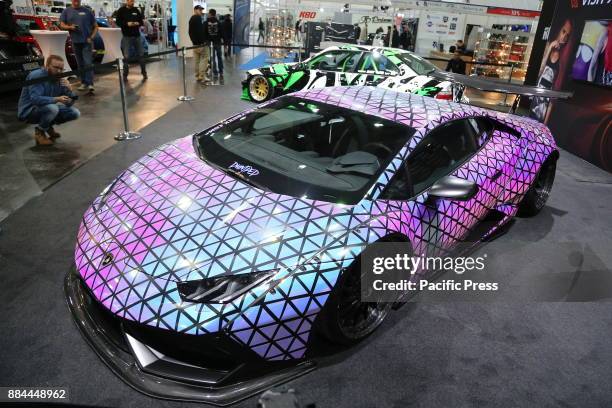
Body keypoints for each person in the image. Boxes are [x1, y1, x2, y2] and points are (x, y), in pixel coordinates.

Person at [17, 55, 80, 146]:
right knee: (53, 108)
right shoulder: (36, 76)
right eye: (56, 67)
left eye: (61, 69)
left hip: (46, 108)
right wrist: (57, 99)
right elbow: (35, 99)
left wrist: (70, 89)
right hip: (29, 111)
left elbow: (70, 103)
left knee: (74, 112)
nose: (59, 71)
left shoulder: (60, 79)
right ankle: (40, 132)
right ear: (47, 66)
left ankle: (47, 126)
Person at [60, 0, 98, 92]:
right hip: (75, 42)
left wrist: (91, 37)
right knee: (80, 64)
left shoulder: (87, 11)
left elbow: (96, 26)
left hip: (86, 42)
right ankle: (84, 82)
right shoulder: (66, 11)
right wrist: (70, 27)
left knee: (88, 63)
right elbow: (61, 25)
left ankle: (90, 84)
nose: (76, 1)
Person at [115, 0, 147, 80]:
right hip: (127, 37)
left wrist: (138, 23)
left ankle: (144, 73)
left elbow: (141, 22)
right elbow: (118, 22)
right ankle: (125, 75)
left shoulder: (136, 10)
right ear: (126, 1)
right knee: (126, 57)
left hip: (137, 36)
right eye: (130, 0)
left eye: (133, 1)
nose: (132, 2)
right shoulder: (121, 10)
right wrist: (126, 24)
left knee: (141, 55)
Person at [188, 5, 208, 82]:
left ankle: (197, 74)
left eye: (201, 10)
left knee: (197, 60)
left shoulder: (191, 18)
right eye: (200, 10)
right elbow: (200, 31)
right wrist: (202, 42)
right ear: (195, 10)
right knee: (204, 58)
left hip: (195, 44)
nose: (201, 11)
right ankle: (201, 75)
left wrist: (193, 41)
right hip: (200, 43)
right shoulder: (197, 18)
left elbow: (189, 32)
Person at [205, 8, 223, 80]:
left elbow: (204, 33)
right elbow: (222, 32)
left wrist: (205, 40)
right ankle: (221, 71)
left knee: (212, 58)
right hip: (218, 42)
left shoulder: (206, 22)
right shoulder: (219, 22)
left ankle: (215, 72)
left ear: (210, 14)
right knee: (219, 57)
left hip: (210, 43)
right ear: (215, 14)